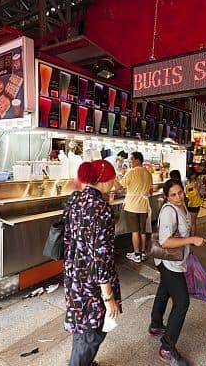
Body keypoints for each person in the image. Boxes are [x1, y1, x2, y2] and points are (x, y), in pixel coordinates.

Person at [63, 160, 121, 366]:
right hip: (92, 282)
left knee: (82, 326)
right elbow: (101, 255)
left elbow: (67, 238)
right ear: (105, 180)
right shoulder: (102, 208)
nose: (115, 182)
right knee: (92, 333)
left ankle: (83, 362)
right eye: (113, 178)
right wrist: (108, 296)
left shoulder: (74, 199)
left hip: (74, 274)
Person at [149, 179, 206, 366]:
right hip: (169, 263)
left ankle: (156, 324)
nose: (179, 197)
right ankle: (167, 348)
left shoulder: (183, 207)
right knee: (182, 302)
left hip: (175, 260)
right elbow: (165, 242)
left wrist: (190, 244)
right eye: (173, 194)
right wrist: (192, 239)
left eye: (180, 192)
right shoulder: (168, 211)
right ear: (167, 196)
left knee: (165, 290)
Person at [114, 152, 153, 263]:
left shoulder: (131, 172)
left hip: (132, 206)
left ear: (136, 160)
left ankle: (136, 254)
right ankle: (143, 252)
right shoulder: (148, 173)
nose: (130, 162)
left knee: (135, 231)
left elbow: (117, 187)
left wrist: (112, 177)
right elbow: (150, 191)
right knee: (143, 231)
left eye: (131, 160)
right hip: (144, 206)